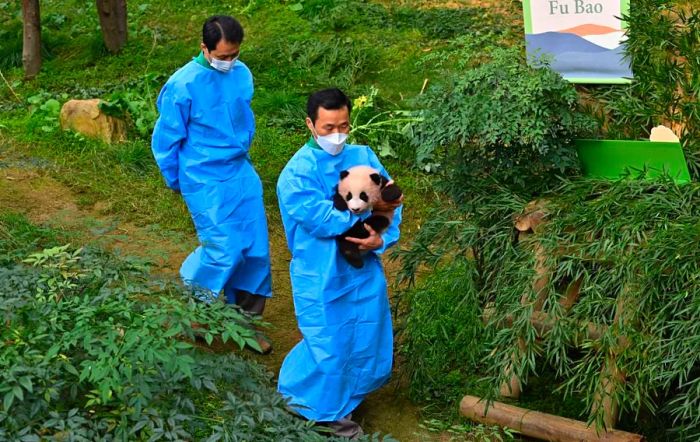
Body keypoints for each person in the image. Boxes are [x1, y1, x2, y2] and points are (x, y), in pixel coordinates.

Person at [276, 88, 403, 437]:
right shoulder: (297, 174)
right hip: (321, 272)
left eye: (343, 126)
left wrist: (381, 237)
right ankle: (318, 409)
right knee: (328, 341)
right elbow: (322, 218)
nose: (337, 135)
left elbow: (391, 201)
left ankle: (346, 396)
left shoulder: (362, 155)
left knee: (366, 333)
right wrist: (368, 206)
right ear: (310, 124)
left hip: (363, 268)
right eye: (328, 127)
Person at [151, 15, 272, 351]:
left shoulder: (241, 73)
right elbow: (166, 140)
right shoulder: (183, 84)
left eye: (234, 54)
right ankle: (194, 315)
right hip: (202, 175)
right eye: (222, 56)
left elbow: (241, 117)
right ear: (203, 48)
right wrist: (176, 180)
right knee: (224, 248)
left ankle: (247, 325)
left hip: (239, 170)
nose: (229, 62)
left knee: (256, 250)